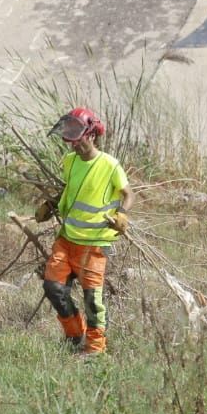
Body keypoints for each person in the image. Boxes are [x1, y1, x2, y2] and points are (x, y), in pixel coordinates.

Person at [34, 107, 132, 357]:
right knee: (53, 288)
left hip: (94, 245)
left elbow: (128, 194)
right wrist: (51, 204)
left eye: (77, 138)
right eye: (69, 138)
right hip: (66, 240)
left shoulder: (110, 165)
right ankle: (75, 335)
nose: (74, 144)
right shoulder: (70, 161)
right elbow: (70, 189)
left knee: (92, 299)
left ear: (92, 135)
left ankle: (96, 348)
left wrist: (122, 215)